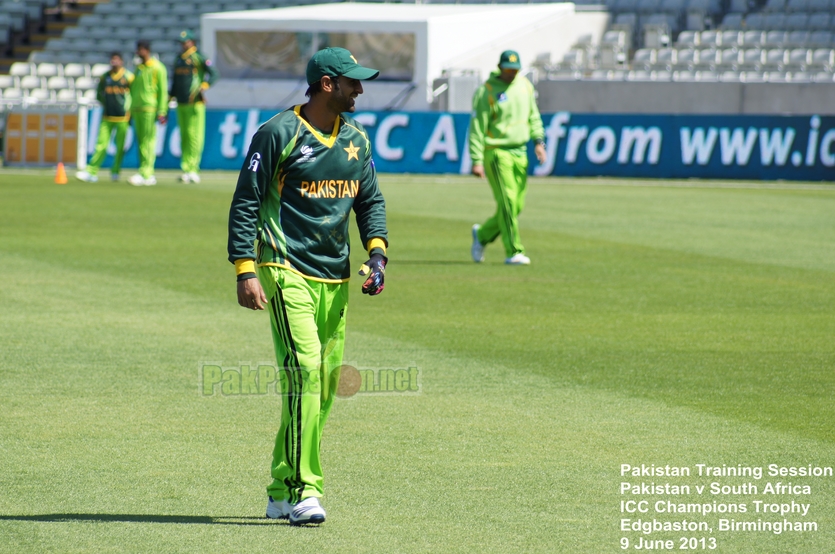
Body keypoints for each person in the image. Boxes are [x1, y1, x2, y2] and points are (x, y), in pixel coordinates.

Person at [227, 47, 388, 525]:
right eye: (352, 82)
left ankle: (280, 487)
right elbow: (246, 202)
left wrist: (377, 254)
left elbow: (370, 201)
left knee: (320, 390)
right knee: (305, 375)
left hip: (335, 278)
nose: (360, 89)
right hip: (284, 269)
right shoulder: (277, 133)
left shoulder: (356, 141)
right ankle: (304, 491)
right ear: (326, 84)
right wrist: (245, 268)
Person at [469, 50, 547, 265]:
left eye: (515, 69)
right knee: (508, 202)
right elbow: (477, 127)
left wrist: (538, 142)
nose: (512, 73)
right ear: (500, 67)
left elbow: (533, 116)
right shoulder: (487, 91)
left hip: (520, 151)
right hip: (497, 152)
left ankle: (483, 235)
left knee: (516, 206)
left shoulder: (524, 86)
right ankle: (514, 251)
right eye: (508, 69)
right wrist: (476, 160)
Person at [170, 29, 218, 184]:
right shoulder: (178, 59)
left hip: (195, 102)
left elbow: (215, 74)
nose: (184, 45)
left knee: (194, 136)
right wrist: (171, 96)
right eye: (182, 42)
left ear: (192, 42)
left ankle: (193, 169)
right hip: (181, 102)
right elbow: (176, 81)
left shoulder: (199, 57)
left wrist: (205, 85)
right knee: (184, 136)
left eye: (186, 42)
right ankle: (185, 168)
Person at [76, 53, 133, 183]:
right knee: (101, 145)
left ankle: (115, 172)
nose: (114, 62)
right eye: (112, 59)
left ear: (122, 61)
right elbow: (99, 95)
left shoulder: (128, 77)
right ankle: (92, 172)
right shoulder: (105, 77)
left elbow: (132, 95)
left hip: (122, 117)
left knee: (119, 148)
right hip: (107, 117)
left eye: (117, 59)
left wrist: (128, 110)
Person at [128, 40, 168, 186]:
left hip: (150, 108)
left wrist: (162, 111)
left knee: (148, 141)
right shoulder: (139, 68)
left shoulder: (158, 67)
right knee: (141, 142)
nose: (138, 53)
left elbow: (163, 91)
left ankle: (148, 173)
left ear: (146, 50)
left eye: (140, 50)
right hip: (137, 108)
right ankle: (143, 171)